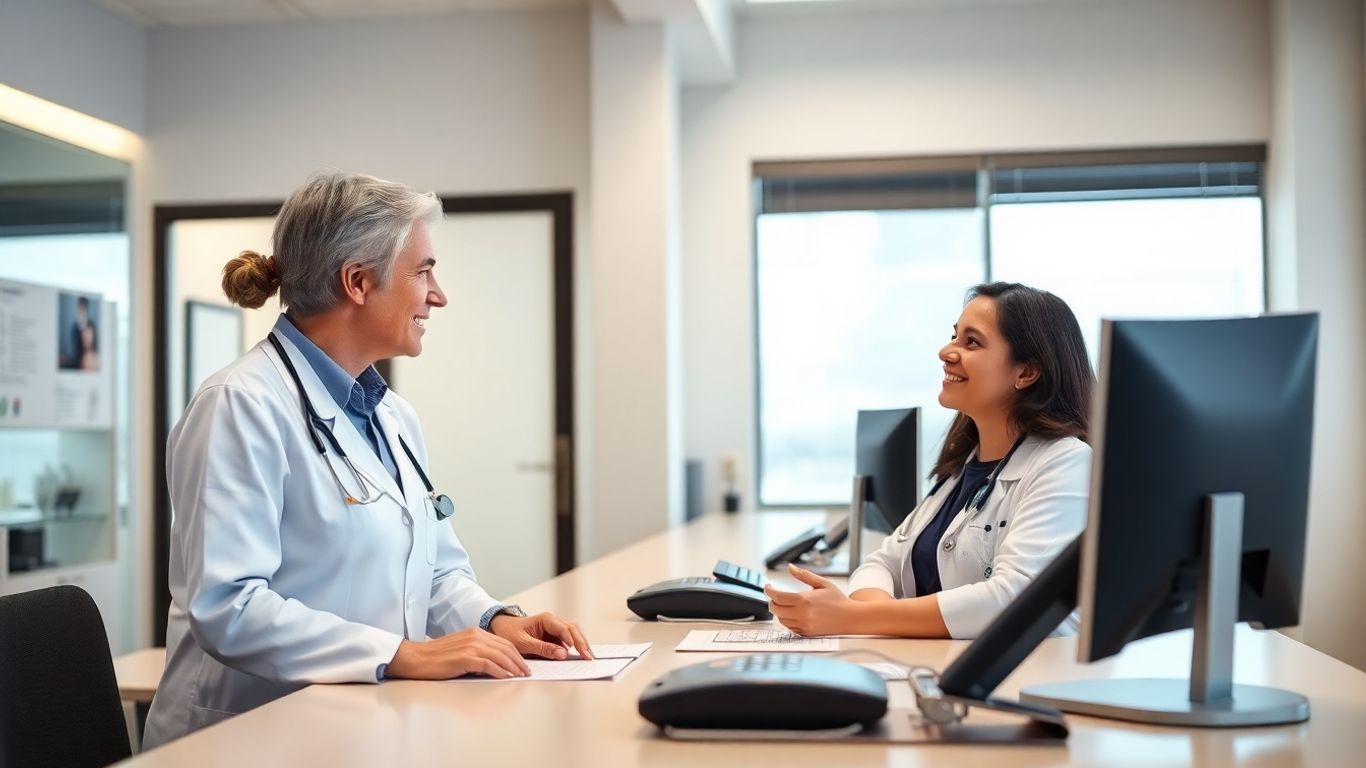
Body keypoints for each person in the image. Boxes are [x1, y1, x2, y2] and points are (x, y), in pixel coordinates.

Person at [144, 173, 593, 748]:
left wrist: (496, 621)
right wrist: (399, 654)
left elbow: (432, 572)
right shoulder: (239, 406)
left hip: (358, 726)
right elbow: (229, 607)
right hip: (245, 740)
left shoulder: (393, 416)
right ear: (357, 282)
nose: (438, 295)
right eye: (424, 271)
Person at [765, 282, 1093, 639]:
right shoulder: (964, 469)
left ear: (1025, 372)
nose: (946, 351)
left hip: (1019, 677)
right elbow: (882, 563)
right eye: (954, 336)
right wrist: (864, 613)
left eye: (972, 342)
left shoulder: (1065, 463)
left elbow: (1013, 598)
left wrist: (854, 618)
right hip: (940, 663)